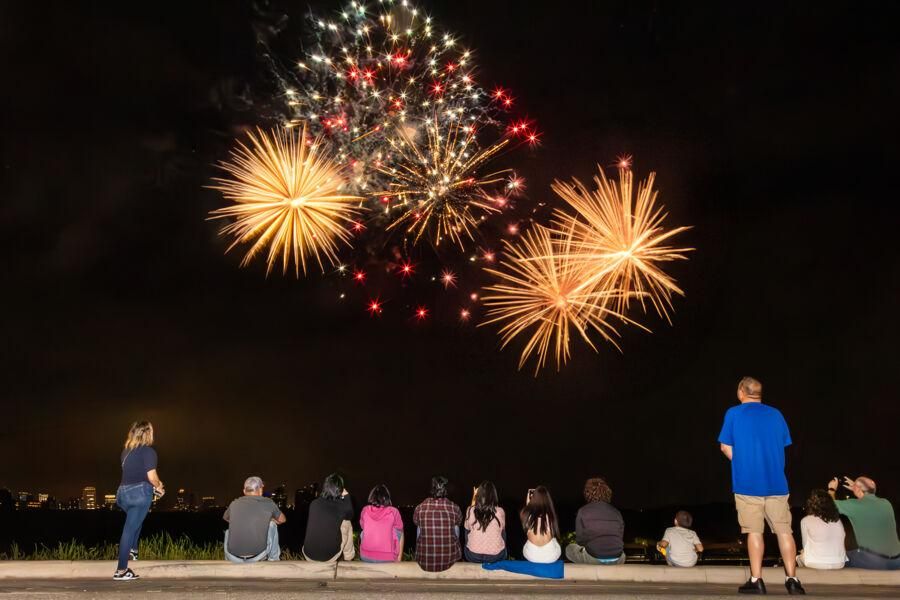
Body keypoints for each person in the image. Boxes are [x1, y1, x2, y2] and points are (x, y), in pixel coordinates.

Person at [718, 376, 806, 595]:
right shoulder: (776, 414)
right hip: (777, 483)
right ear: (759, 393)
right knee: (785, 531)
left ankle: (757, 580)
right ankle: (793, 580)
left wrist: (741, 462)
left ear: (741, 392)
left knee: (754, 532)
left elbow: (725, 447)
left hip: (748, 484)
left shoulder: (734, 413)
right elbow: (784, 444)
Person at [113, 421, 164, 581]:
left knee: (136, 520)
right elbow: (151, 477)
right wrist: (160, 487)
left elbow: (133, 474)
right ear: (148, 433)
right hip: (139, 494)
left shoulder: (125, 452)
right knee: (129, 528)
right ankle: (121, 570)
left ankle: (133, 550)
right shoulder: (149, 452)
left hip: (122, 494)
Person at [828, 476, 900, 570]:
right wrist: (857, 487)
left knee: (837, 557)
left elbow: (829, 505)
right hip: (896, 561)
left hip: (874, 561)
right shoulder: (886, 503)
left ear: (857, 489)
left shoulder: (855, 505)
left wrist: (832, 489)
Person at [223, 476, 286, 563]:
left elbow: (226, 519)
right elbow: (283, 520)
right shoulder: (268, 502)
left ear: (244, 491)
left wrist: (243, 522)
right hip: (257, 556)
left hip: (233, 557)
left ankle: (227, 560)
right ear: (260, 490)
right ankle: (274, 560)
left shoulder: (234, 503)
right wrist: (268, 520)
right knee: (272, 525)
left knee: (228, 531)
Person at [565, 477, 625, 565]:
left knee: (569, 549)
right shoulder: (616, 512)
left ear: (587, 493)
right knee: (622, 554)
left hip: (594, 558)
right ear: (607, 493)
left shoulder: (583, 511)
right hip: (619, 558)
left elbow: (580, 540)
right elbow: (620, 536)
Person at [413, 476, 462, 572]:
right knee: (456, 527)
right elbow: (456, 533)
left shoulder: (420, 508)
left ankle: (422, 549)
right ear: (446, 490)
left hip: (424, 561)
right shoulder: (454, 508)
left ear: (432, 489)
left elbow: (418, 533)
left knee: (419, 527)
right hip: (450, 560)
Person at [302, 473, 355, 562]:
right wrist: (346, 496)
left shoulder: (314, 504)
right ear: (340, 489)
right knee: (347, 522)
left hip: (308, 554)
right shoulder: (341, 507)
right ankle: (349, 557)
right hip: (328, 557)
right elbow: (350, 515)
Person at [796, 489, 846, 570]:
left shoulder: (806, 520)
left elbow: (805, 545)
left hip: (816, 563)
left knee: (799, 557)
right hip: (839, 563)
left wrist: (802, 552)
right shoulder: (837, 520)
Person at [359, 484, 404, 562]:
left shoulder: (365, 510)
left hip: (365, 556)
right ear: (386, 497)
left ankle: (367, 550)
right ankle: (398, 560)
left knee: (364, 531)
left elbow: (363, 527)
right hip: (387, 558)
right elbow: (400, 531)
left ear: (372, 497)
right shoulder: (393, 511)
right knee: (400, 531)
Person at [464, 481, 507, 563]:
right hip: (496, 556)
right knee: (502, 531)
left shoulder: (470, 510)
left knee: (467, 529)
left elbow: (467, 529)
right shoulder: (500, 511)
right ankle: (499, 547)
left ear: (478, 496)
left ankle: (472, 546)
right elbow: (502, 531)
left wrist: (474, 499)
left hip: (473, 556)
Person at [520, 485, 561, 563]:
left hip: (531, 556)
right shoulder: (551, 515)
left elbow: (527, 509)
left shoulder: (525, 514)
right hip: (550, 557)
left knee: (526, 543)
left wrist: (529, 500)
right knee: (555, 541)